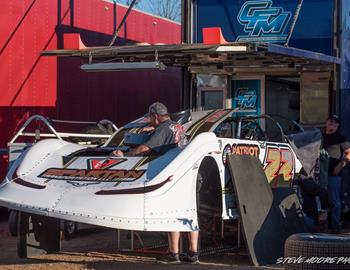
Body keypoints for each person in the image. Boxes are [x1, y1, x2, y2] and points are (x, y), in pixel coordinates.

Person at [112, 102, 199, 264]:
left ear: (156, 116)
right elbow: (168, 138)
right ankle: (193, 254)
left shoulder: (162, 129)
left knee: (172, 213)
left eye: (151, 118)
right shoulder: (176, 126)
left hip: (175, 175)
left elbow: (145, 149)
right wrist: (153, 131)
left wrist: (124, 155)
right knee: (189, 211)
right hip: (191, 174)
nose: (150, 121)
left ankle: (174, 254)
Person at [322, 115, 350, 233]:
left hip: (334, 174)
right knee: (322, 200)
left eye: (335, 123)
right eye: (331, 122)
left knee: (334, 201)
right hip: (320, 175)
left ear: (338, 125)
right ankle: (322, 227)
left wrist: (341, 165)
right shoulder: (320, 136)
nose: (333, 124)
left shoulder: (340, 137)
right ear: (326, 123)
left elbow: (349, 153)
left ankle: (335, 228)